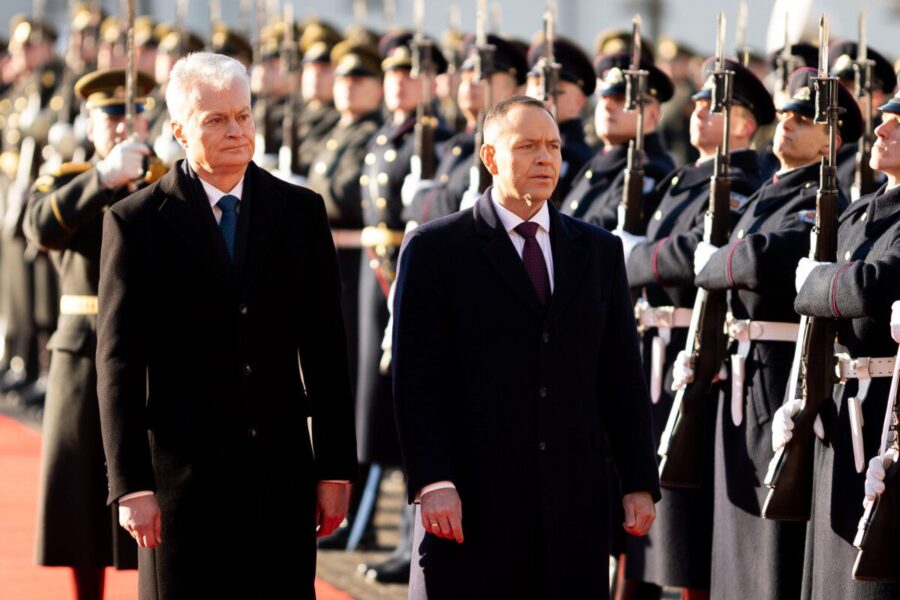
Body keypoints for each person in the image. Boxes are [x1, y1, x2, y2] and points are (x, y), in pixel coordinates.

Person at [95, 52, 357, 599]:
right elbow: (119, 362)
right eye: (215, 120)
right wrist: (131, 485)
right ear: (179, 131)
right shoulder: (135, 223)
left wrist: (334, 468)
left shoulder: (301, 213)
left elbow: (328, 350)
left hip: (281, 480)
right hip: (179, 488)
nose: (235, 131)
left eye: (243, 115)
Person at [392, 95, 660, 599]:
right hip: (472, 501)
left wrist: (638, 480)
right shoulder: (436, 249)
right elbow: (416, 379)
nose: (545, 158)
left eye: (554, 145)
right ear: (491, 158)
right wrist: (433, 481)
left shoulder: (597, 249)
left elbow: (620, 373)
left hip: (571, 502)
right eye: (528, 146)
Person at [693, 67, 862, 600]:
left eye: (803, 118)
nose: (786, 125)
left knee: (771, 535)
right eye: (785, 115)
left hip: (776, 371)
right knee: (734, 531)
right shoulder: (771, 189)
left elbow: (761, 260)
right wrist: (726, 260)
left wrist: (713, 262)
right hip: (742, 364)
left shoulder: (820, 196)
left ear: (831, 138)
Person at [621, 57, 774, 600]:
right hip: (654, 346)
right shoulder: (684, 178)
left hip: (692, 349)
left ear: (748, 124)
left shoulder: (740, 182)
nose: (698, 110)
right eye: (699, 101)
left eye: (716, 105)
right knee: (645, 506)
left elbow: (695, 256)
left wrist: (637, 257)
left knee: (686, 515)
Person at [26, 67, 159, 600]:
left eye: (133, 113)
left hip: (150, 348)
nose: (123, 125)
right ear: (89, 121)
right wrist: (101, 179)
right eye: (111, 116)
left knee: (150, 482)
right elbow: (39, 228)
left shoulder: (165, 177)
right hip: (82, 346)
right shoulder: (67, 177)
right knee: (82, 489)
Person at [791, 80, 900, 599]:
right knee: (829, 573)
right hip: (841, 404)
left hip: (886, 410)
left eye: (899, 124)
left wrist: (814, 281)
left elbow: (874, 286)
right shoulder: (861, 210)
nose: (881, 127)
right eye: (884, 117)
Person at [562, 51, 675, 231]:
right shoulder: (600, 162)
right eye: (604, 98)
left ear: (653, 114)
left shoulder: (650, 169)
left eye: (621, 100)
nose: (607, 106)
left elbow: (602, 231)